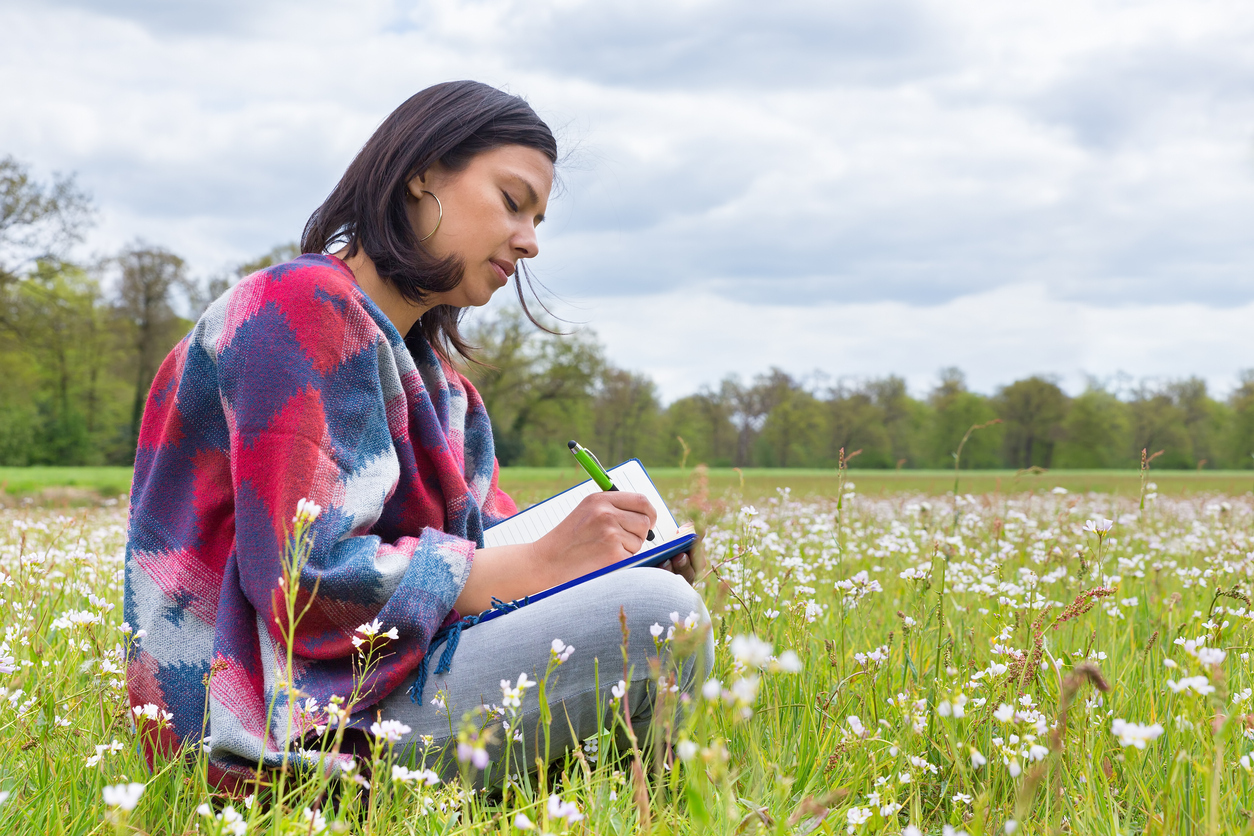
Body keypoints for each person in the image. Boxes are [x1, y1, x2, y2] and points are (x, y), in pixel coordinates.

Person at [124, 80, 713, 791]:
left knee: (646, 607)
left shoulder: (443, 390)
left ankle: (595, 796)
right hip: (278, 719)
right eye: (512, 201)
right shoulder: (295, 310)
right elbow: (303, 584)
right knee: (659, 621)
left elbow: (493, 551)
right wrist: (540, 566)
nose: (529, 241)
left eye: (539, 221)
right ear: (423, 174)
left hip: (380, 683)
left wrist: (602, 563)